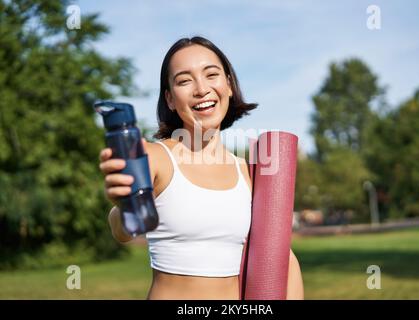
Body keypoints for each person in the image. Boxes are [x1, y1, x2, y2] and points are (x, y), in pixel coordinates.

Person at [98, 36, 304, 300]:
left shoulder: (246, 172)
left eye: (211, 75)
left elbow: (282, 256)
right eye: (185, 80)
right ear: (170, 99)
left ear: (228, 85)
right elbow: (122, 230)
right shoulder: (154, 157)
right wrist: (126, 205)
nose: (201, 89)